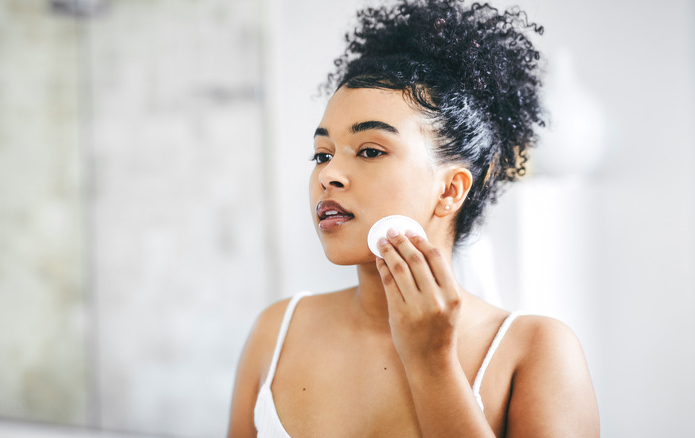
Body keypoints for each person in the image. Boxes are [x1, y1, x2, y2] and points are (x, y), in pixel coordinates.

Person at [228, 0, 600, 436]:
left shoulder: (537, 351)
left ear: (450, 190)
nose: (328, 175)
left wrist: (432, 364)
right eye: (322, 154)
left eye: (370, 151)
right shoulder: (276, 332)